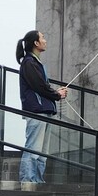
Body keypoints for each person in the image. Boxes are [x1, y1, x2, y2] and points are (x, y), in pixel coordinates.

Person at [15, 30, 67, 186]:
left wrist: (56, 94)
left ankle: (37, 180)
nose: (45, 40)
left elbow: (42, 86)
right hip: (36, 112)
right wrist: (57, 94)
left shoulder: (34, 63)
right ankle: (27, 180)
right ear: (36, 43)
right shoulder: (29, 63)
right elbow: (39, 86)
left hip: (43, 111)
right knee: (33, 148)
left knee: (41, 152)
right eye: (42, 38)